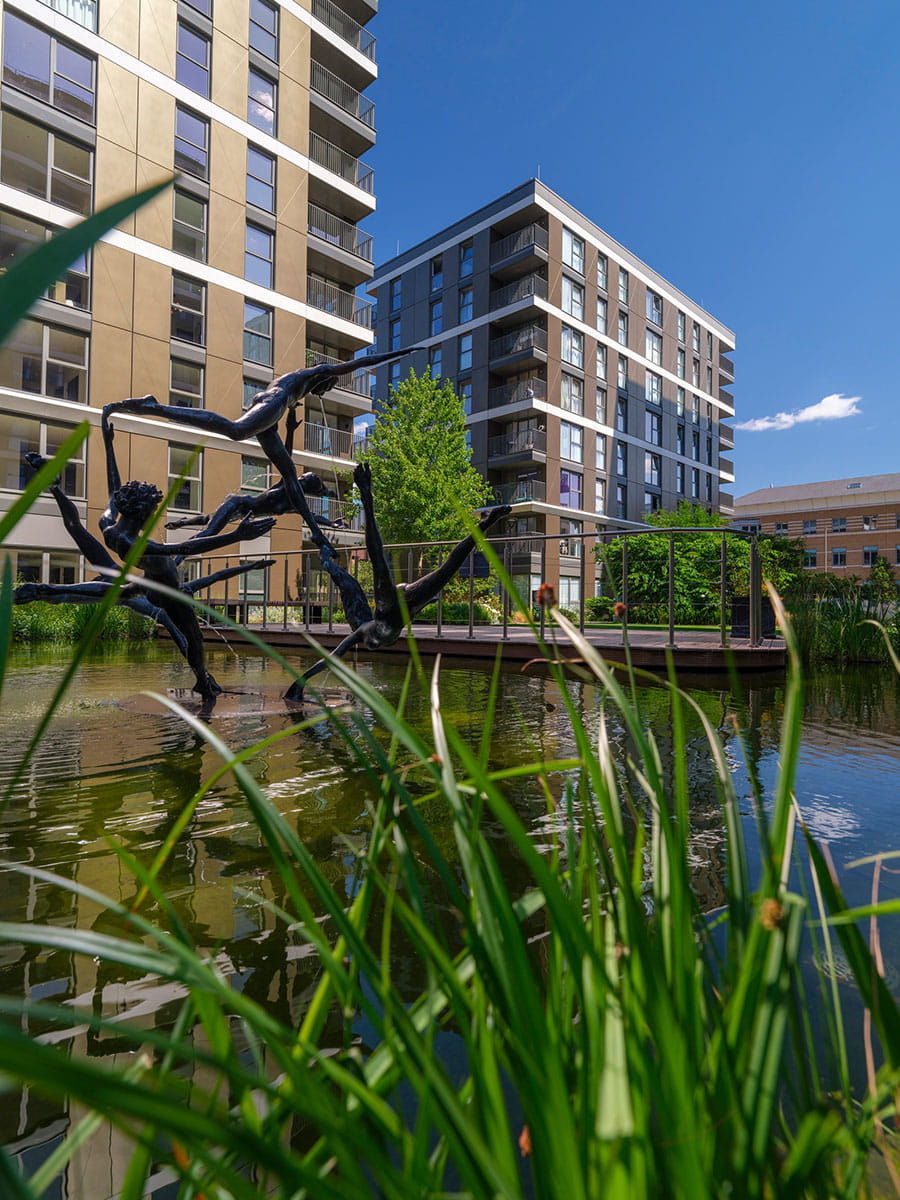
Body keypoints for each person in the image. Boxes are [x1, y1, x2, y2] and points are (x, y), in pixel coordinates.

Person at [102, 348, 417, 556]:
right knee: (237, 431)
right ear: (325, 380)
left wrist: (290, 432)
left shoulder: (302, 388)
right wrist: (400, 354)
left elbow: (291, 476)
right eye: (326, 388)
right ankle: (155, 406)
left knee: (289, 474)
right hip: (272, 405)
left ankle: (317, 534)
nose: (322, 393)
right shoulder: (315, 373)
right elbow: (360, 363)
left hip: (273, 415)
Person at [284, 462, 512, 701]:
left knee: (380, 560)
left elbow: (332, 657)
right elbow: (332, 657)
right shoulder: (361, 632)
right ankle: (485, 523)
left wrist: (303, 681)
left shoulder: (362, 631)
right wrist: (301, 682)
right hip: (405, 606)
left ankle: (366, 497)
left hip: (389, 607)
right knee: (447, 570)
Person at [95, 413, 276, 701]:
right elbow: (185, 550)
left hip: (152, 580)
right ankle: (202, 681)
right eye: (153, 511)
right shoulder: (140, 544)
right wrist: (237, 537)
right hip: (169, 592)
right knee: (194, 637)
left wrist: (108, 445)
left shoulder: (108, 528)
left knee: (199, 537)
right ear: (144, 512)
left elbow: (113, 492)